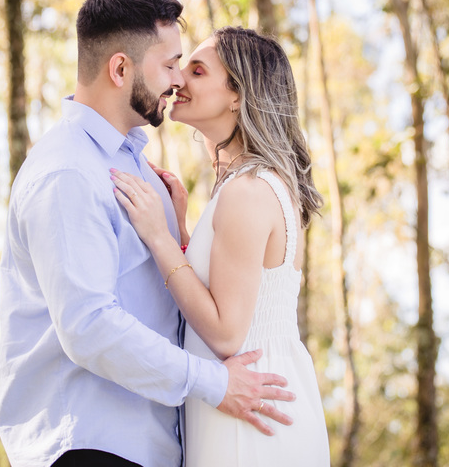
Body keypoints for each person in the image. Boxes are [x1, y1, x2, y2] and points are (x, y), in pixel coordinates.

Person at [0, 0, 295, 467]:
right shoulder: (69, 172)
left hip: (152, 447)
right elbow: (89, 326)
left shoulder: (138, 167)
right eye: (171, 64)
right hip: (89, 444)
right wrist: (216, 385)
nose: (177, 81)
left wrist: (176, 232)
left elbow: (166, 300)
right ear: (120, 69)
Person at [110, 26, 331, 467]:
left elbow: (228, 332)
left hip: (250, 408)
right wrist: (183, 234)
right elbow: (238, 287)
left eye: (197, 70)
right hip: (254, 397)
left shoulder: (246, 190)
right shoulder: (250, 184)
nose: (178, 81)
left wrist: (158, 236)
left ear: (237, 94)